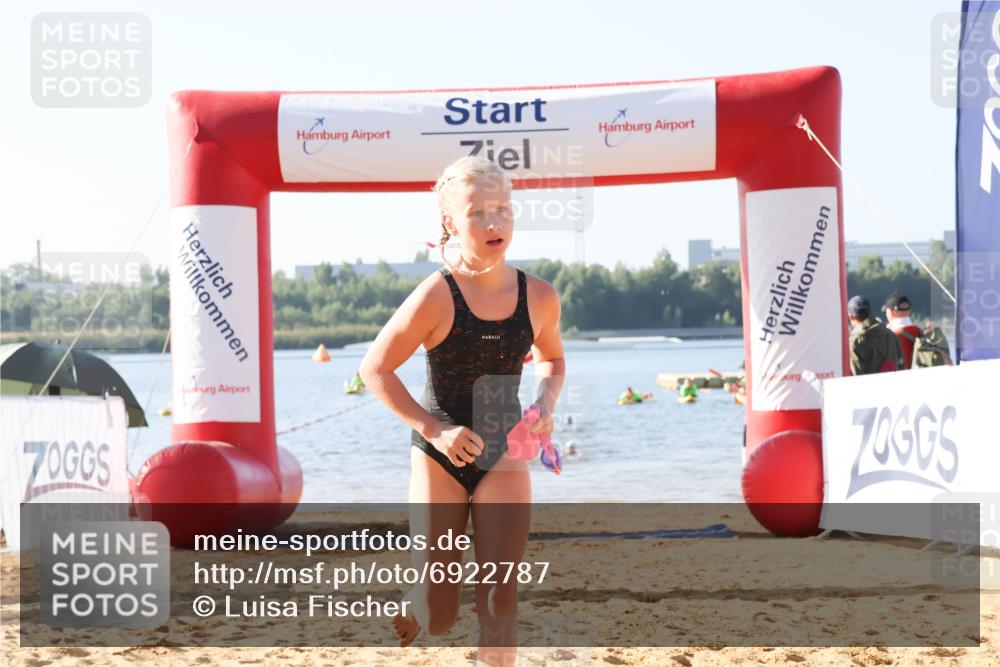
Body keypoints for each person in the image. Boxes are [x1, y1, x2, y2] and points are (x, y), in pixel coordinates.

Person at [359, 156, 565, 665]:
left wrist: (544, 401)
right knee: (439, 616)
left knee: (500, 598)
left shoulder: (538, 296)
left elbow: (553, 359)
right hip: (439, 456)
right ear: (450, 221)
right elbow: (375, 369)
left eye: (504, 209)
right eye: (478, 213)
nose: (495, 223)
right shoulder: (436, 294)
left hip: (504, 450)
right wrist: (436, 431)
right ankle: (416, 602)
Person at [848, 295, 904, 375]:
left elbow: (856, 375)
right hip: (893, 385)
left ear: (850, 316)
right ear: (870, 312)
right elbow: (901, 366)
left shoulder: (854, 341)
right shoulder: (891, 335)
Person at [882, 292, 923, 369]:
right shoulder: (920, 332)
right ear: (909, 311)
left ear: (891, 312)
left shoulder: (889, 336)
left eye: (886, 312)